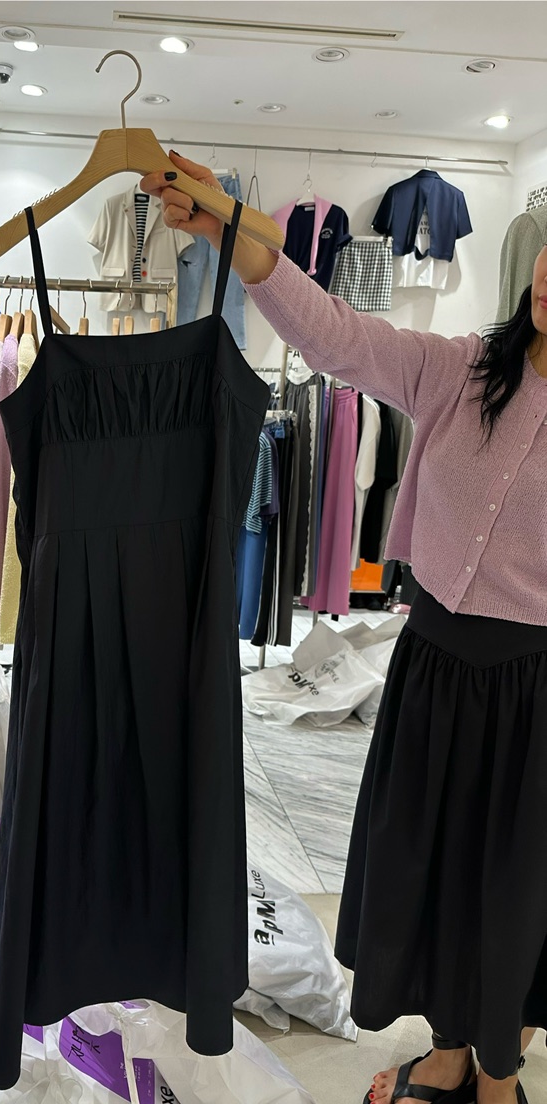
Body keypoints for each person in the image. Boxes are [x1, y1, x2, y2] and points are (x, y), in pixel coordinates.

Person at [141, 152, 547, 1104]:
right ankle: (447, 1052)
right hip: (435, 672)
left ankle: (498, 1073)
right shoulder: (462, 371)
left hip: (537, 694)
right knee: (430, 875)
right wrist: (231, 227)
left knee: (515, 892)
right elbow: (337, 336)